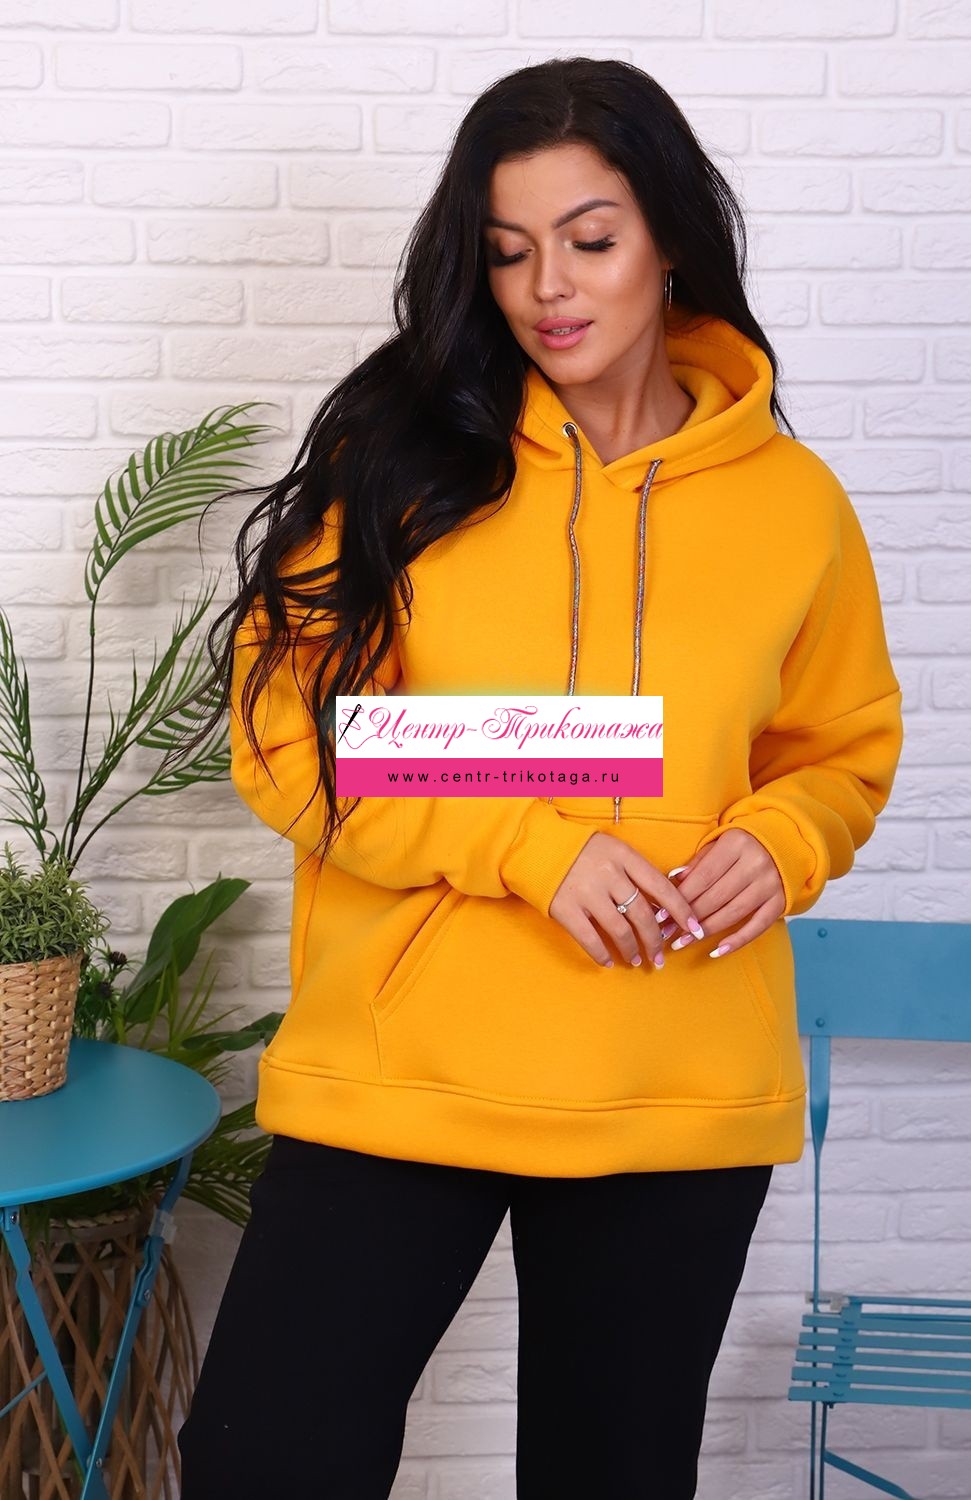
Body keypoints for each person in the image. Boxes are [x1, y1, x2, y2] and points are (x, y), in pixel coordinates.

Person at [177, 56, 904, 1500]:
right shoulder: (400, 461)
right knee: (264, 1459)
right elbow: (289, 736)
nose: (548, 288)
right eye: (508, 251)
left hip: (672, 1077)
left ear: (670, 239)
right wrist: (536, 845)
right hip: (407, 1065)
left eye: (590, 239)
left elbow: (839, 750)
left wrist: (783, 836)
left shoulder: (793, 504)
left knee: (613, 1476)